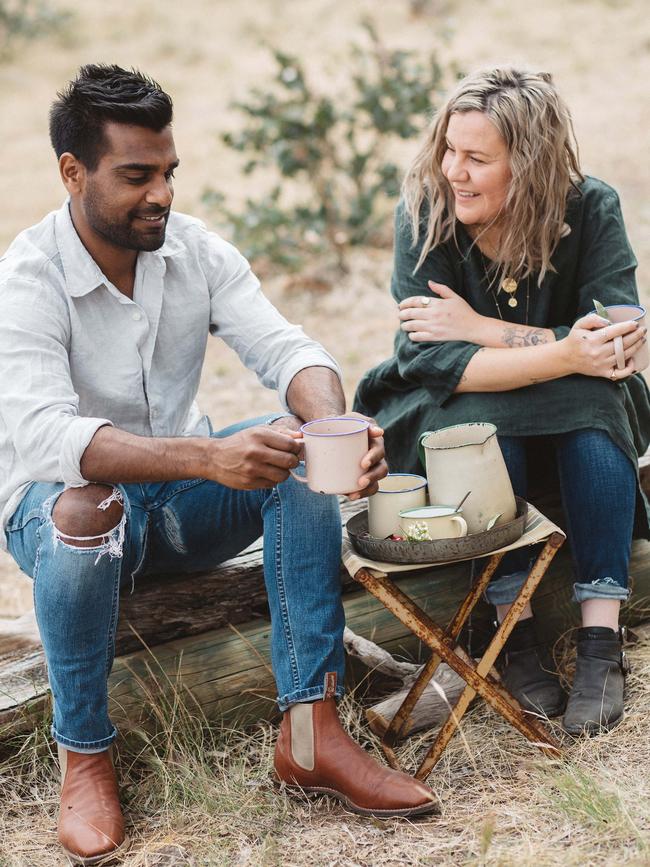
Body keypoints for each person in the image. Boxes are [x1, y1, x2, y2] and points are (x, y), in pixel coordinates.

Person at [0, 65, 436, 865]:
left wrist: (332, 423)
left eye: (167, 171)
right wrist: (208, 454)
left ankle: (312, 732)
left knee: (293, 448)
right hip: (67, 515)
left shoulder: (193, 248)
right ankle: (85, 756)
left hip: (175, 502)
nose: (160, 193)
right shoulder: (28, 277)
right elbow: (52, 440)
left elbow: (285, 346)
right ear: (73, 172)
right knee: (83, 506)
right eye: (136, 175)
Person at [354, 66, 650, 737]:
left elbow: (620, 344)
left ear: (533, 164)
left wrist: (485, 332)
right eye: (449, 150)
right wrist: (565, 353)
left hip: (573, 401)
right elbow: (433, 362)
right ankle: (511, 637)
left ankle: (601, 643)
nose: (454, 170)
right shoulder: (424, 215)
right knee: (483, 431)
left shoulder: (591, 207)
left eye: (477, 157)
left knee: (596, 413)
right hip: (448, 403)